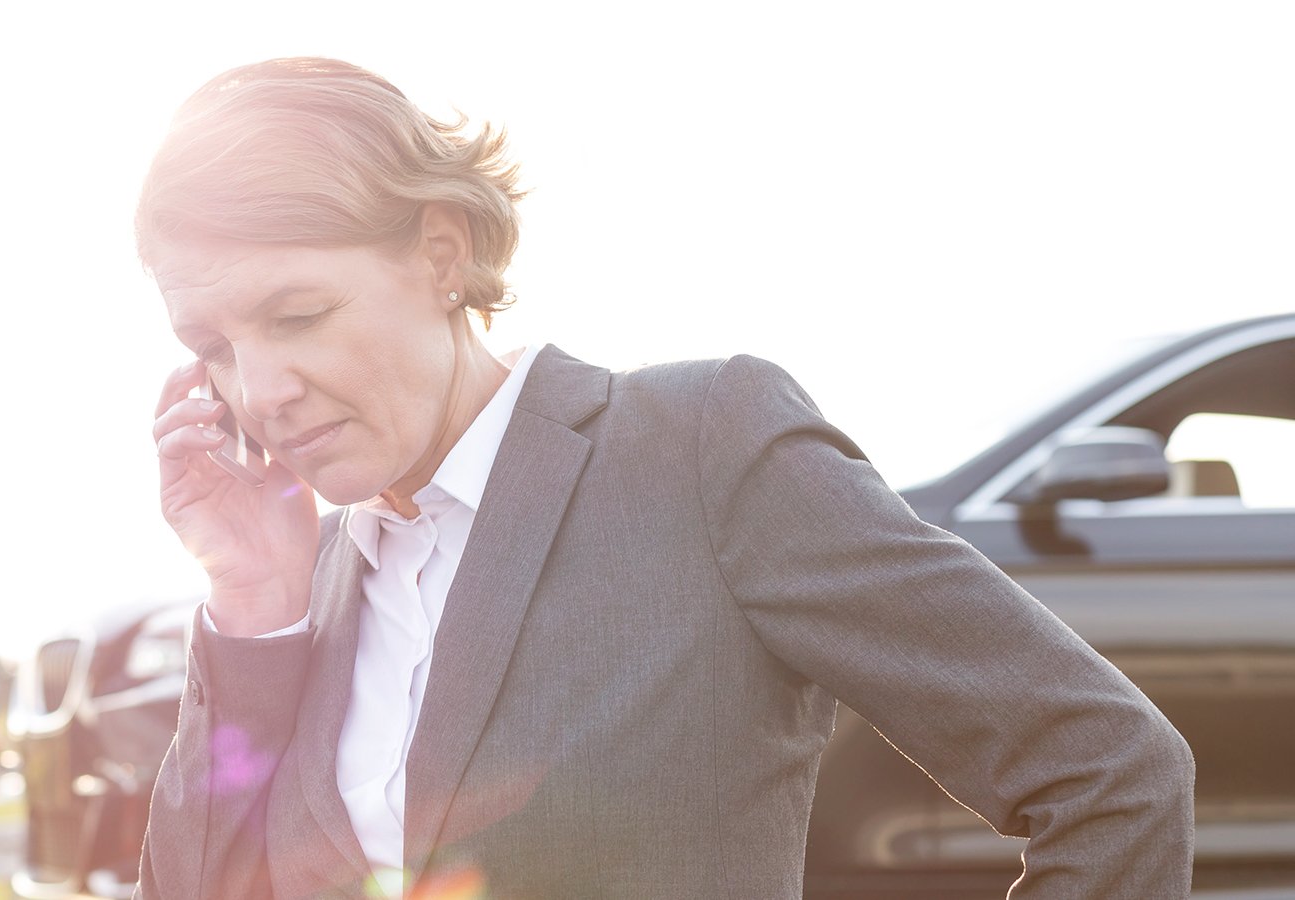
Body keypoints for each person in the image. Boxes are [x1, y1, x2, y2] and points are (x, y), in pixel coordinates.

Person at [134, 57, 1194, 899]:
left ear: (441, 253)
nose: (257, 388)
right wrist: (255, 614)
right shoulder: (299, 592)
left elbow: (1111, 777)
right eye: (212, 345)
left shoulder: (698, 448)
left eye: (296, 316)